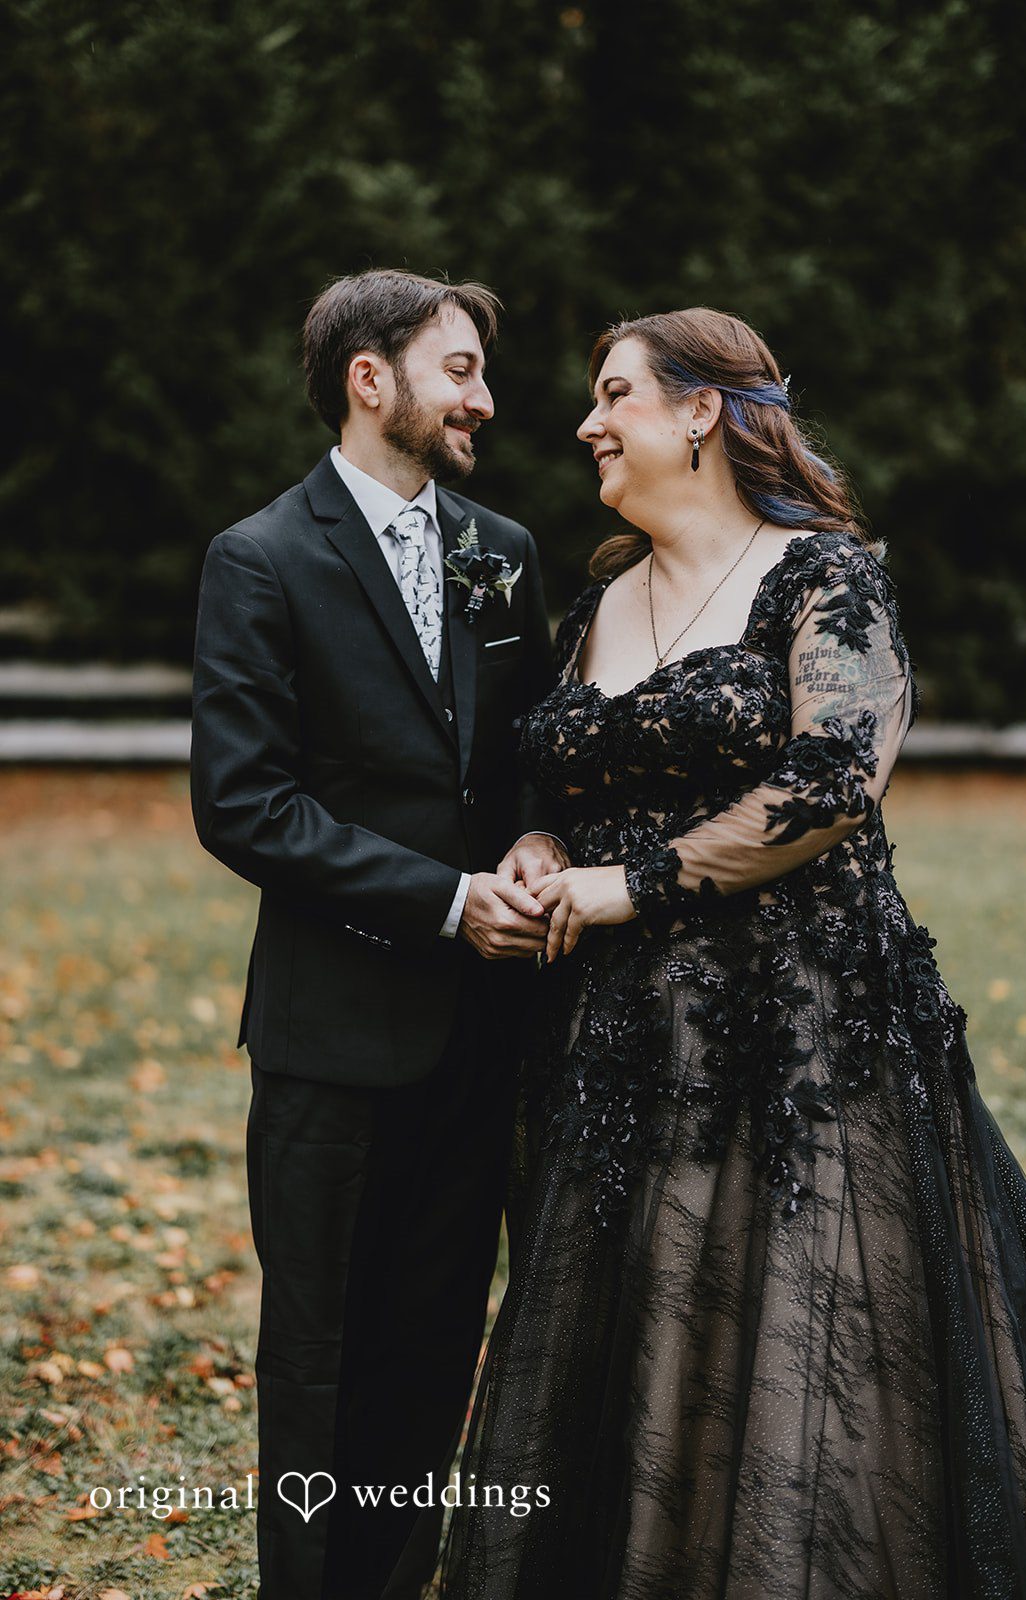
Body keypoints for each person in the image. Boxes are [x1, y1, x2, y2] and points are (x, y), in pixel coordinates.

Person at [440, 308, 1026, 1599]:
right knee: (644, 1333)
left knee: (797, 1350)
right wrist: (544, 845)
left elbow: (835, 778)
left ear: (701, 412)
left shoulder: (825, 576)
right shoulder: (602, 598)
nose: (588, 423)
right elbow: (563, 774)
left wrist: (634, 884)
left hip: (798, 1032)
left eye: (615, 394)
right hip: (617, 1045)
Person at [190, 268, 567, 1600]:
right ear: (371, 379)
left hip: (481, 1039)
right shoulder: (260, 560)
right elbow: (245, 805)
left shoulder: (502, 551)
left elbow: (531, 752)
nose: (486, 399)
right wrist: (450, 899)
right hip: (334, 1042)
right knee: (321, 1361)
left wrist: (536, 841)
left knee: (431, 1352)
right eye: (459, 370)